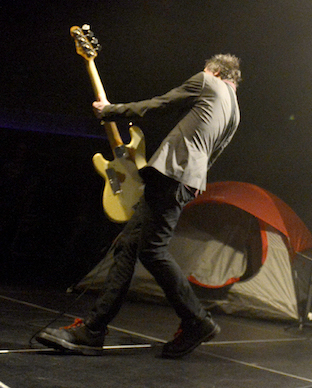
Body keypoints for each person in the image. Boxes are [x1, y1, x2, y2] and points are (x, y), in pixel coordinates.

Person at [36, 54, 241, 359]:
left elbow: (158, 104)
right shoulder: (235, 113)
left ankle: (196, 320)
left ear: (215, 70)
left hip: (172, 174)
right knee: (129, 247)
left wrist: (110, 111)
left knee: (151, 251)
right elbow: (214, 153)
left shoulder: (207, 81)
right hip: (187, 180)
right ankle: (93, 329)